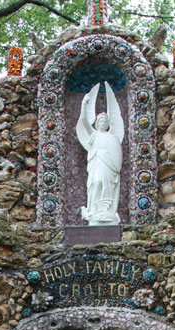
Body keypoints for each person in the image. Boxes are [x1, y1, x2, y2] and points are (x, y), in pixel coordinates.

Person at [76, 81, 124, 226]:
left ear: (107, 124)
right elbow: (84, 121)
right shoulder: (94, 135)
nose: (102, 123)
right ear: (97, 123)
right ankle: (93, 211)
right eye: (100, 121)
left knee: (107, 186)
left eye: (105, 121)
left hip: (108, 165)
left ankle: (107, 212)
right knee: (96, 183)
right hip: (97, 162)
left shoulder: (112, 137)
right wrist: (84, 105)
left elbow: (116, 153)